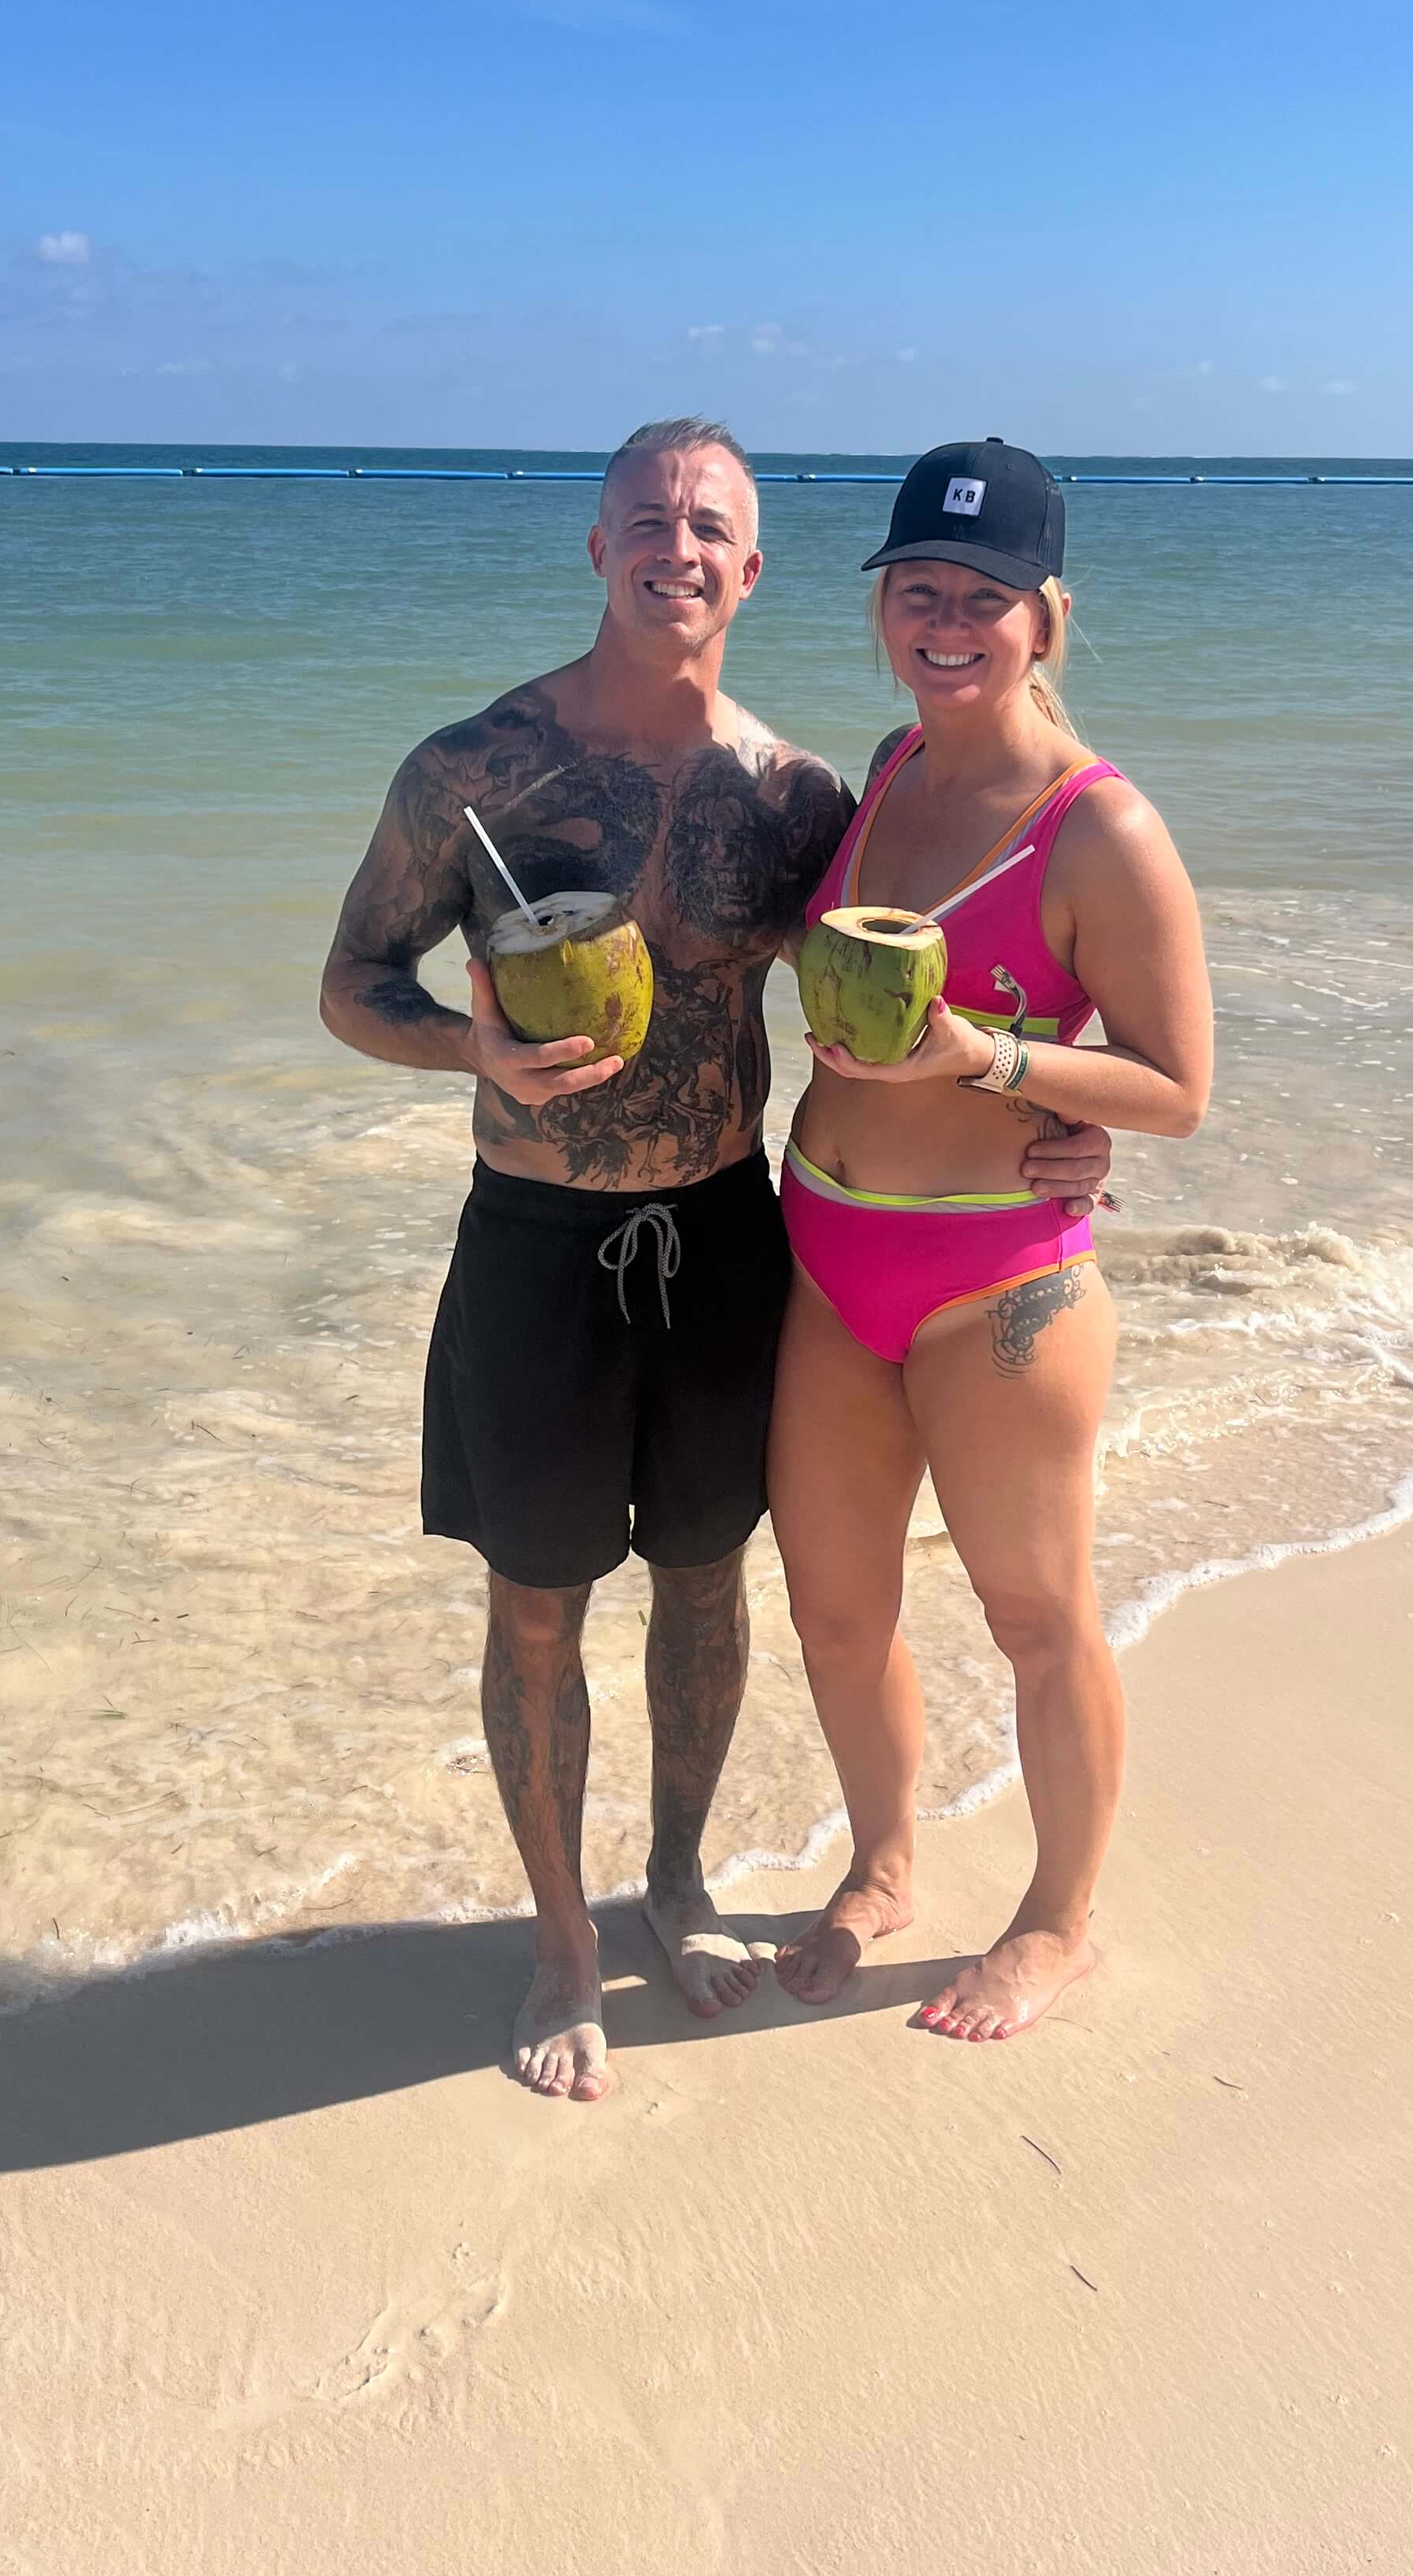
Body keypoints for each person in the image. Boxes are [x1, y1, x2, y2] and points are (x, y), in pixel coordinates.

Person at [319, 420, 1113, 2101]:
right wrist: (471, 1049)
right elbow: (353, 983)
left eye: (709, 528)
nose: (675, 548)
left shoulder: (800, 798)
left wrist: (1059, 1113)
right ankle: (559, 1945)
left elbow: (941, 970)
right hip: (539, 1244)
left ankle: (673, 1884)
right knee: (537, 1610)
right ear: (597, 546)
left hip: (730, 1237)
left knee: (706, 1580)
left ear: (752, 571)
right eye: (647, 519)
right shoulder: (472, 772)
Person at [770, 436, 1213, 2043]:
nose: (946, 623)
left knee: (1036, 1619)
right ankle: (883, 1865)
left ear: (1047, 618)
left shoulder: (1102, 830)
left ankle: (1058, 1921)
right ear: (882, 606)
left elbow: (1177, 1088)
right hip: (827, 1259)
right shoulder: (890, 769)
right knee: (835, 1616)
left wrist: (997, 1063)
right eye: (918, 591)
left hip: (997, 1284)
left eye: (983, 598)